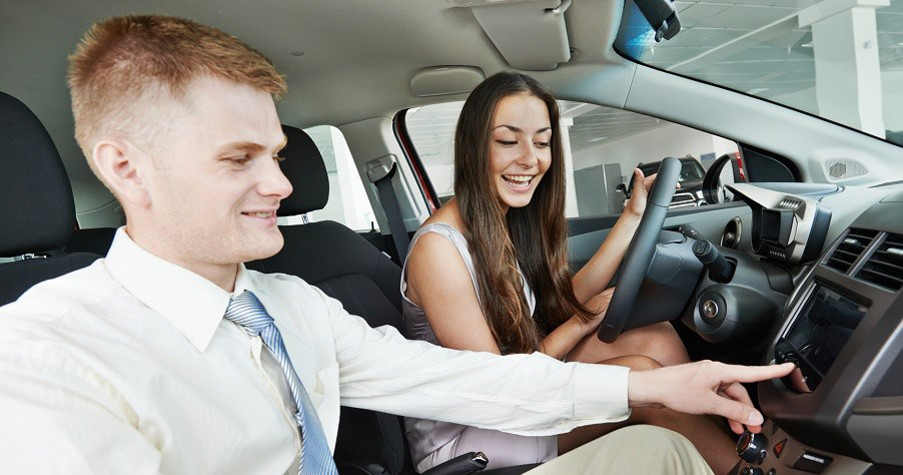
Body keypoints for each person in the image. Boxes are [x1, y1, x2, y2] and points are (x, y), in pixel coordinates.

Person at [0, 15, 793, 474]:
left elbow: (466, 382)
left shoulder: (287, 304)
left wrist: (653, 389)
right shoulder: (44, 357)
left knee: (657, 449)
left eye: (277, 153)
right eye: (239, 159)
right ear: (125, 167)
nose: (280, 184)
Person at [400, 72, 736, 472]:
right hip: (469, 437)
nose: (531, 158)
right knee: (646, 385)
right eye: (508, 141)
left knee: (656, 337)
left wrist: (631, 218)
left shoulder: (500, 224)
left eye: (542, 142)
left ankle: (732, 454)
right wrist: (580, 322)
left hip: (512, 390)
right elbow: (498, 388)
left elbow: (556, 305)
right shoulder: (438, 249)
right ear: (472, 149)